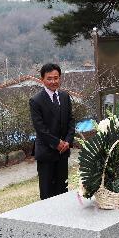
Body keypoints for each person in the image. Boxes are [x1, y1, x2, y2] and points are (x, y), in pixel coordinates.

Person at [29, 63, 75, 200]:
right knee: (47, 192)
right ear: (42, 79)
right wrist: (57, 143)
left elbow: (71, 121)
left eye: (56, 78)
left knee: (62, 190)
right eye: (49, 78)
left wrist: (67, 141)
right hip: (46, 152)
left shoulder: (65, 96)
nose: (53, 81)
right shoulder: (36, 100)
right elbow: (40, 128)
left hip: (63, 152)